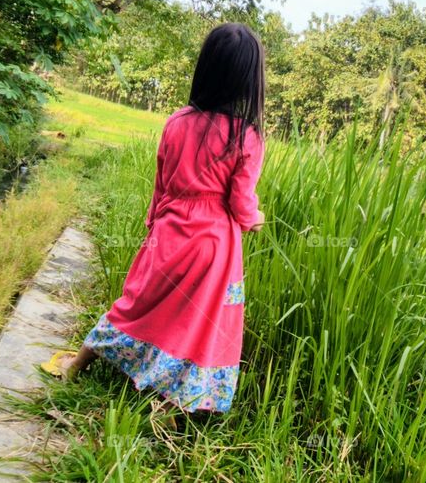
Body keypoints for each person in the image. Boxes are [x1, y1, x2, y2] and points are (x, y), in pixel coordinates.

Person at [44, 23, 266, 415]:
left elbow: (161, 185)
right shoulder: (246, 137)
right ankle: (174, 401)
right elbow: (240, 204)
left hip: (169, 230)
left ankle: (77, 363)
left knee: (137, 303)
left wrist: (154, 227)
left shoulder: (177, 122)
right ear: (249, 80)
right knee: (196, 320)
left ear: (206, 69)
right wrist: (255, 218)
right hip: (214, 245)